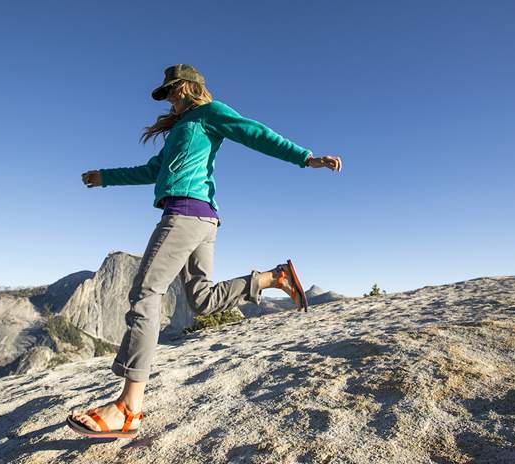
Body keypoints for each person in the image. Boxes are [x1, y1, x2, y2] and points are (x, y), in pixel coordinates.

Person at [66, 64, 343, 439]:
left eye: (173, 91)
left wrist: (305, 157)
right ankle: (273, 277)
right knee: (202, 300)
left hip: (184, 214)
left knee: (145, 294)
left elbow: (254, 133)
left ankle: (129, 407)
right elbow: (153, 171)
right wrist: (106, 178)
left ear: (190, 88)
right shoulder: (180, 130)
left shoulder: (210, 114)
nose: (169, 99)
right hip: (202, 219)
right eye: (166, 94)